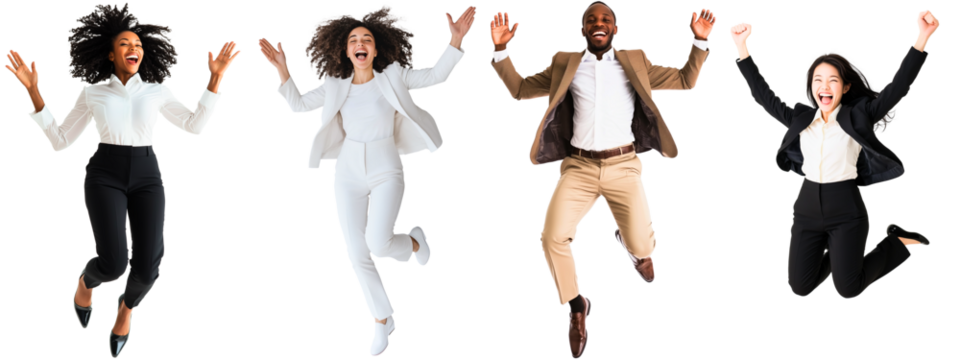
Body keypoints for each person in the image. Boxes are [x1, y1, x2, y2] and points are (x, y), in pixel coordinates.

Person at [3, 1, 240, 358]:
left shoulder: (157, 89)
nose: (134, 49)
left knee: (148, 269)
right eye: (126, 44)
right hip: (104, 172)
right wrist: (33, 90)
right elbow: (60, 141)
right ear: (110, 53)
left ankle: (125, 310)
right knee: (113, 264)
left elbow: (194, 126)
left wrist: (215, 79)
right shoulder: (93, 90)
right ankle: (86, 282)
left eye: (139, 45)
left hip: (147, 173)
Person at [486, 2, 716, 359]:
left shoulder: (635, 60)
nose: (598, 24)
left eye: (605, 19)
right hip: (579, 167)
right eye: (591, 20)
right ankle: (577, 305)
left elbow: (686, 80)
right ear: (582, 31)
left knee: (644, 247)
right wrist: (500, 49)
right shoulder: (565, 62)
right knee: (551, 237)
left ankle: (632, 247)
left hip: (624, 166)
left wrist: (699, 41)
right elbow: (519, 89)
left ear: (616, 30)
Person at [256, 2, 476, 357]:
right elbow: (297, 104)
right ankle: (381, 318)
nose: (361, 43)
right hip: (346, 171)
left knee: (378, 243)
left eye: (367, 38)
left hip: (386, 166)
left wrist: (455, 42)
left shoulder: (395, 74)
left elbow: (437, 76)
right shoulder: (334, 83)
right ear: (344, 48)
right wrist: (283, 70)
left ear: (378, 47)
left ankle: (416, 243)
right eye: (354, 39)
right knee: (356, 252)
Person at [728, 9, 940, 298]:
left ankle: (896, 242)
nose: (824, 86)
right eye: (818, 80)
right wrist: (742, 47)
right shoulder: (800, 117)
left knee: (848, 288)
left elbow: (897, 89)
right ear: (811, 88)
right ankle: (842, 259)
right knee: (800, 287)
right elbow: (762, 95)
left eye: (833, 80)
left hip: (847, 211)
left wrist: (922, 38)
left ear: (845, 86)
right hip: (806, 210)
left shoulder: (859, 116)